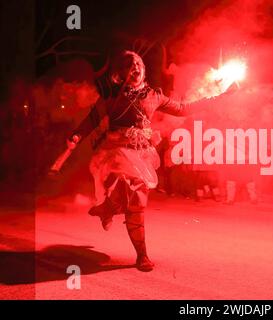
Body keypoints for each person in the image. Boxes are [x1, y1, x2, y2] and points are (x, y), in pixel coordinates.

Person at [65, 50, 233, 271]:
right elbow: (92, 119)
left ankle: (115, 218)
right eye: (129, 65)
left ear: (143, 69)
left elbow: (183, 109)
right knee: (132, 197)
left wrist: (217, 98)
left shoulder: (154, 96)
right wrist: (76, 135)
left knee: (134, 201)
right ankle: (127, 233)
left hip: (142, 153)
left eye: (138, 63)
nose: (135, 67)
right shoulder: (112, 97)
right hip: (116, 153)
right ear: (121, 72)